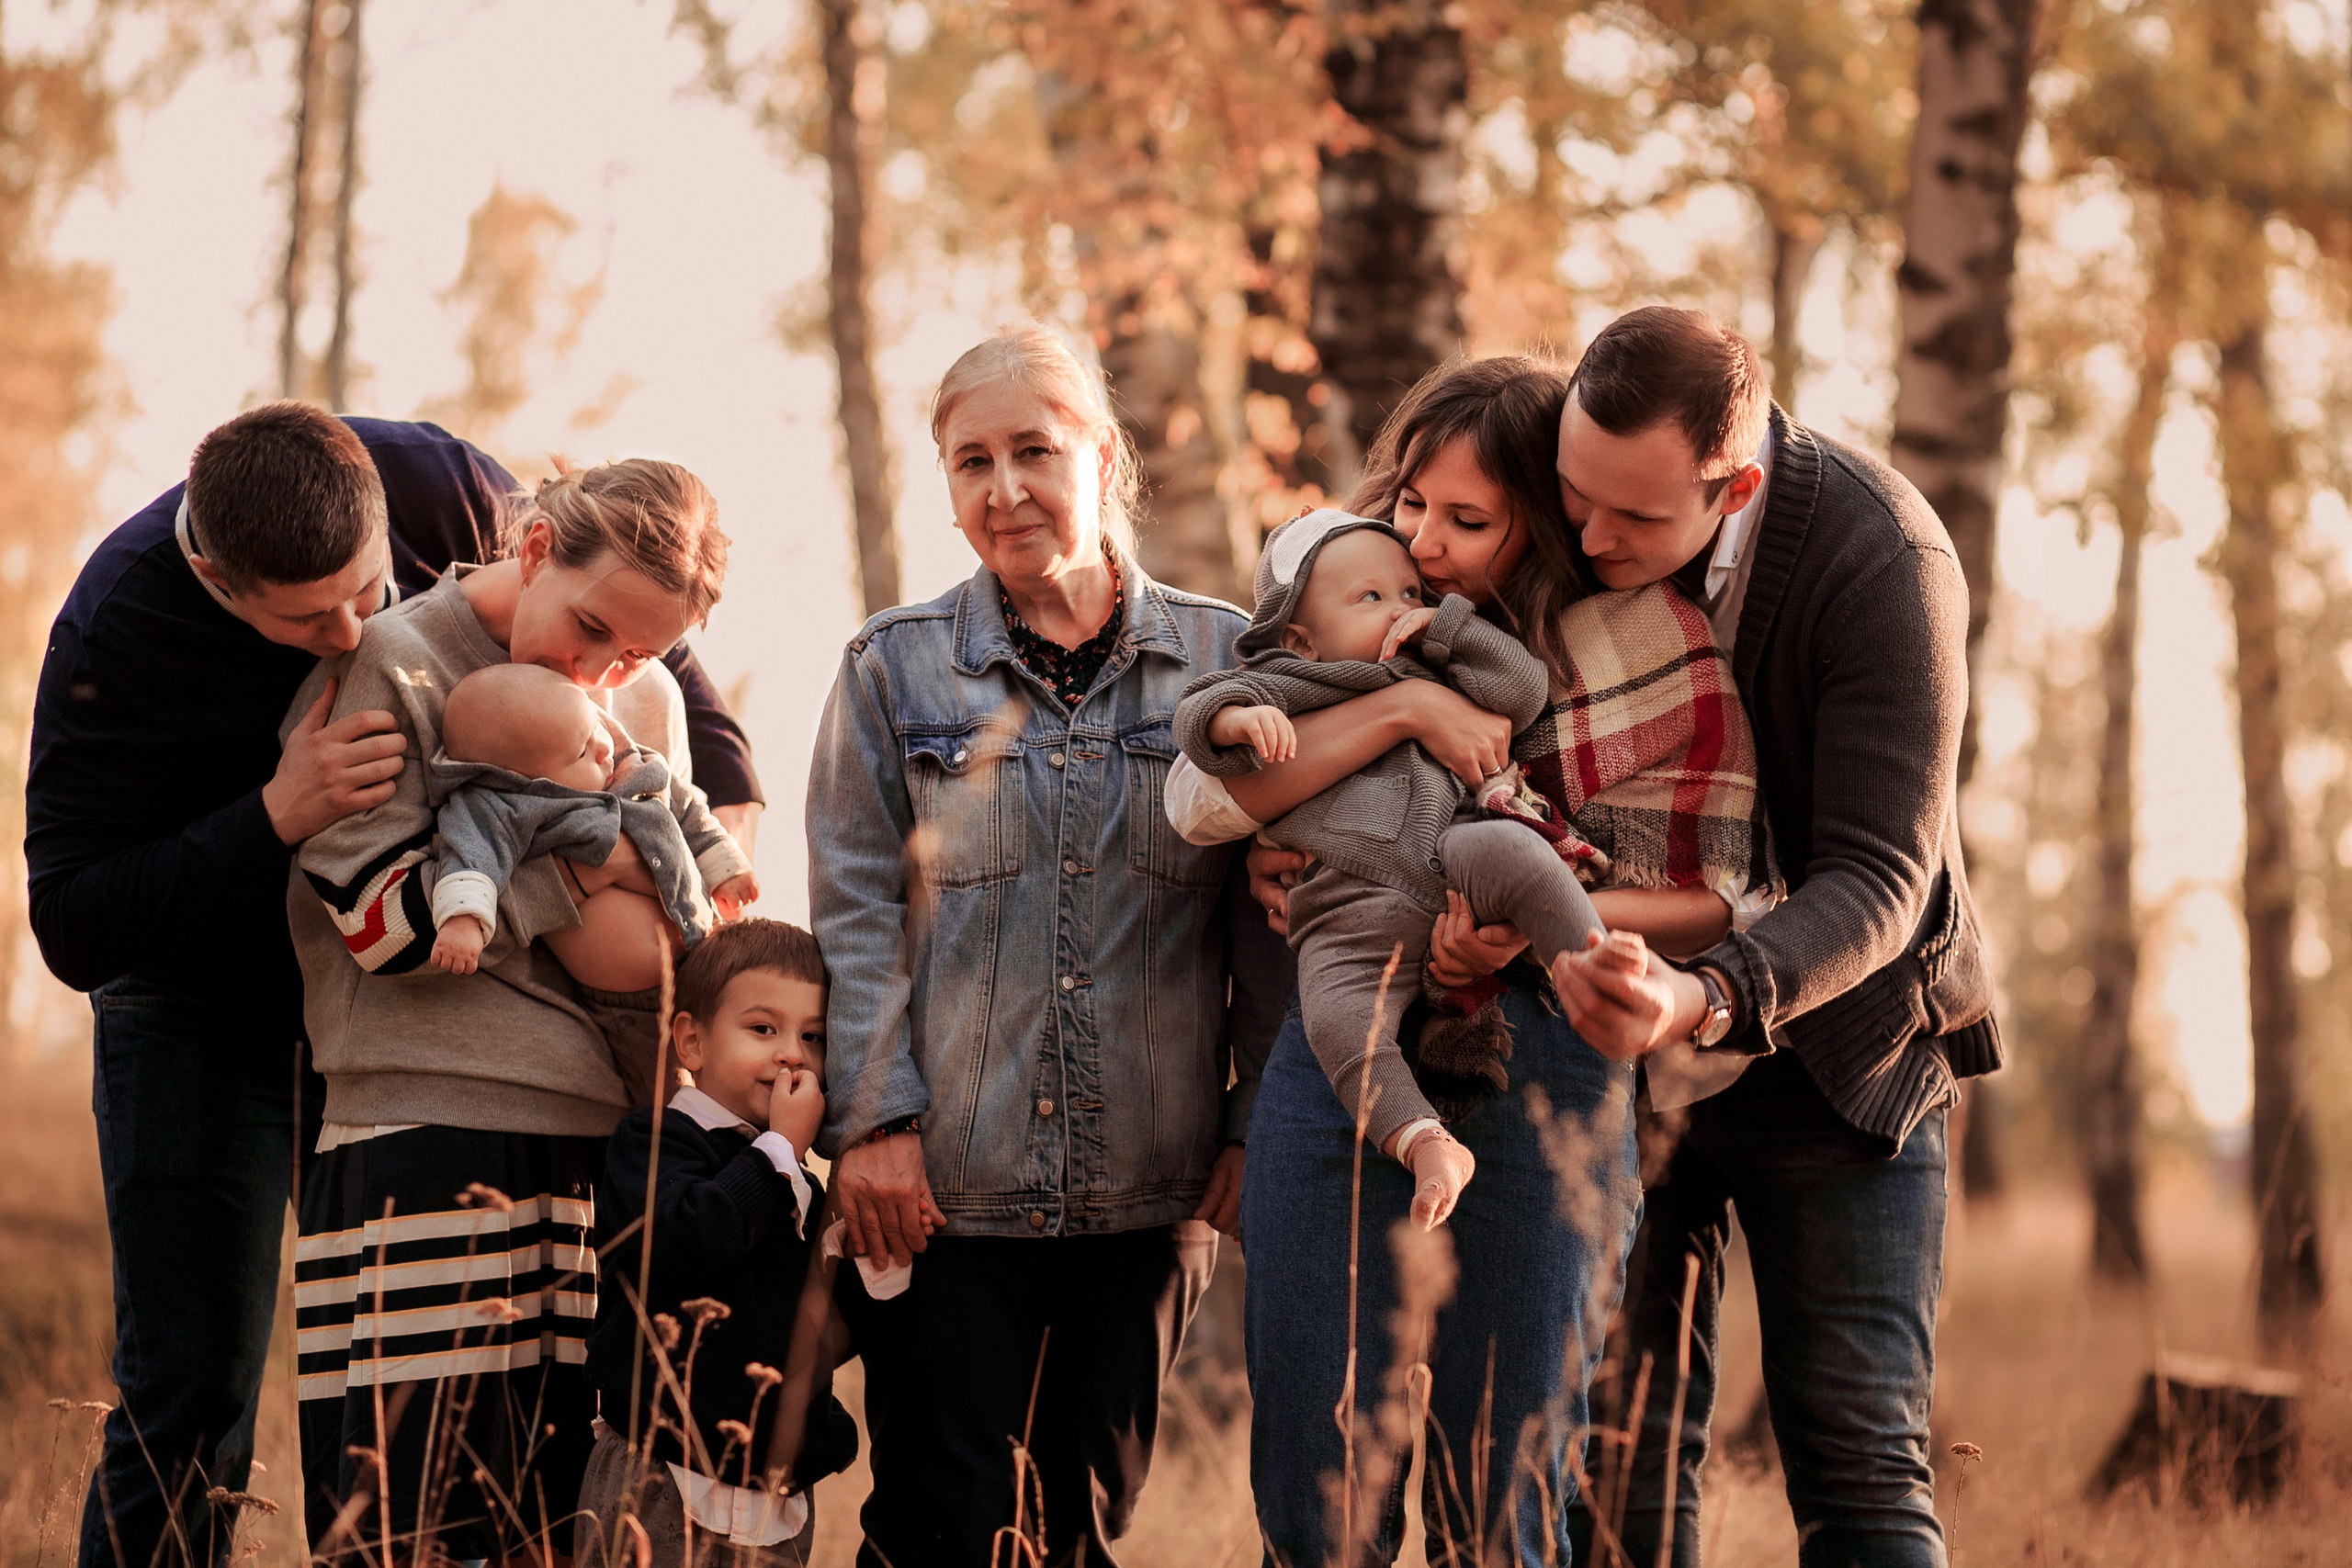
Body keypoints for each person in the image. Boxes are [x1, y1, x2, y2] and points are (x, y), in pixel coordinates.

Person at [25, 405, 761, 1568]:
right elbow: (75, 922)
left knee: (542, 1431)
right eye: (307, 617)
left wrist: (700, 836)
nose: (351, 627)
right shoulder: (123, 624)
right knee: (192, 1390)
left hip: (463, 1023)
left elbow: (642, 613)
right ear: (216, 578)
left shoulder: (446, 486)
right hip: (206, 1002)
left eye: (367, 588)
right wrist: (275, 814)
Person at [805, 323, 1293, 1567]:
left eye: (1034, 449)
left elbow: (1274, 917)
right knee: (936, 1529)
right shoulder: (892, 669)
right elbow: (855, 913)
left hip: (1151, 1188)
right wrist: (872, 1122)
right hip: (942, 1193)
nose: (1004, 487)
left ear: (1104, 457)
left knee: (1077, 1530)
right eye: (971, 462)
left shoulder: (1228, 660)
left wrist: (1256, 1121)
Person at [1527, 309, 1997, 1567]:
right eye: (1575, 493)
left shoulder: (1882, 555)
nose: (1588, 537)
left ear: (1732, 487)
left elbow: (1883, 875)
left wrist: (1702, 998)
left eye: (1633, 518)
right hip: (1608, 1058)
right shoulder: (1567, 501)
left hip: (1841, 1053)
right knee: (1613, 1465)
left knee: (1856, 1465)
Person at [288, 457, 736, 1560]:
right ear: (535, 549)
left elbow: (677, 898)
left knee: (565, 1529)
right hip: (424, 1135)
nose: (601, 671)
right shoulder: (396, 660)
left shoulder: (647, 702)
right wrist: (577, 875)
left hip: (597, 1155)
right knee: (412, 1529)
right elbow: (380, 925)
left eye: (637, 651)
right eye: (590, 628)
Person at [1172, 508, 1653, 1229]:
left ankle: (1595, 970)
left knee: (1520, 854)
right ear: (1301, 636)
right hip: (1344, 907)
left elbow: (1522, 690)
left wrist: (1448, 626)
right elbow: (1198, 713)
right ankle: (1425, 1141)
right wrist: (1236, 721)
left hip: (1450, 854)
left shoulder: (1434, 665)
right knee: (1340, 1026)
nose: (1401, 608)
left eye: (1408, 592)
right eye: (1371, 597)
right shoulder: (1292, 680)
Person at [576, 919, 860, 1568]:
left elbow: (828, 1333)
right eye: (763, 1029)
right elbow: (691, 1237)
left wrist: (870, 1253)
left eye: (813, 1037)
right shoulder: (653, 1143)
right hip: (660, 1475)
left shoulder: (799, 1184)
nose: (792, 1055)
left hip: (772, 1499)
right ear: (693, 1040)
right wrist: (780, 1150)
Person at [426, 660, 756, 988]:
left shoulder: (635, 768)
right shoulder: (508, 806)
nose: (603, 748)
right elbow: (471, 854)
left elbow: (688, 810)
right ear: (520, 780)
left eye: (596, 727)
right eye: (581, 752)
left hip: (698, 947)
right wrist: (463, 919)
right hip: (618, 1003)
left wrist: (724, 867)